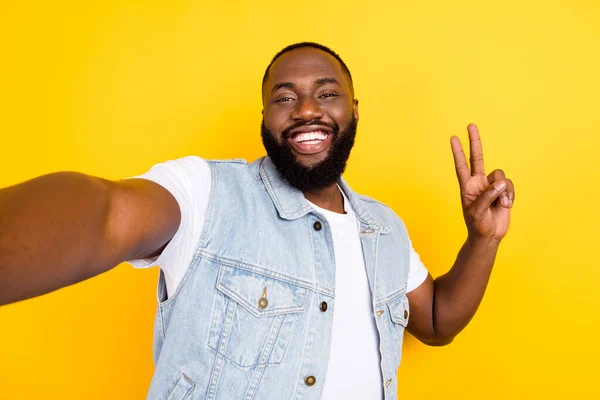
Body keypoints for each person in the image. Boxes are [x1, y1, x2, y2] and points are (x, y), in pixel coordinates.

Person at [0, 42, 515, 400]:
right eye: (284, 98)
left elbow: (437, 321)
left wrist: (483, 240)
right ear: (265, 119)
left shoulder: (384, 228)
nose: (306, 109)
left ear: (354, 111)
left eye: (327, 93)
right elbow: (107, 214)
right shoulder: (209, 194)